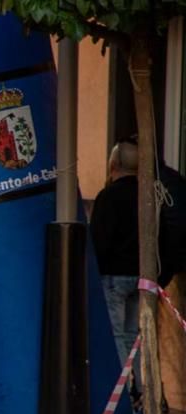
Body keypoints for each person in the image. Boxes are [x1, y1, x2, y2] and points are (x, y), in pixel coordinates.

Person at [90, 140, 140, 392]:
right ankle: (141, 392)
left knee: (117, 335)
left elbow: (99, 239)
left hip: (113, 275)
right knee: (135, 335)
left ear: (113, 164)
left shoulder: (108, 197)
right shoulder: (150, 196)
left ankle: (119, 395)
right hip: (143, 277)